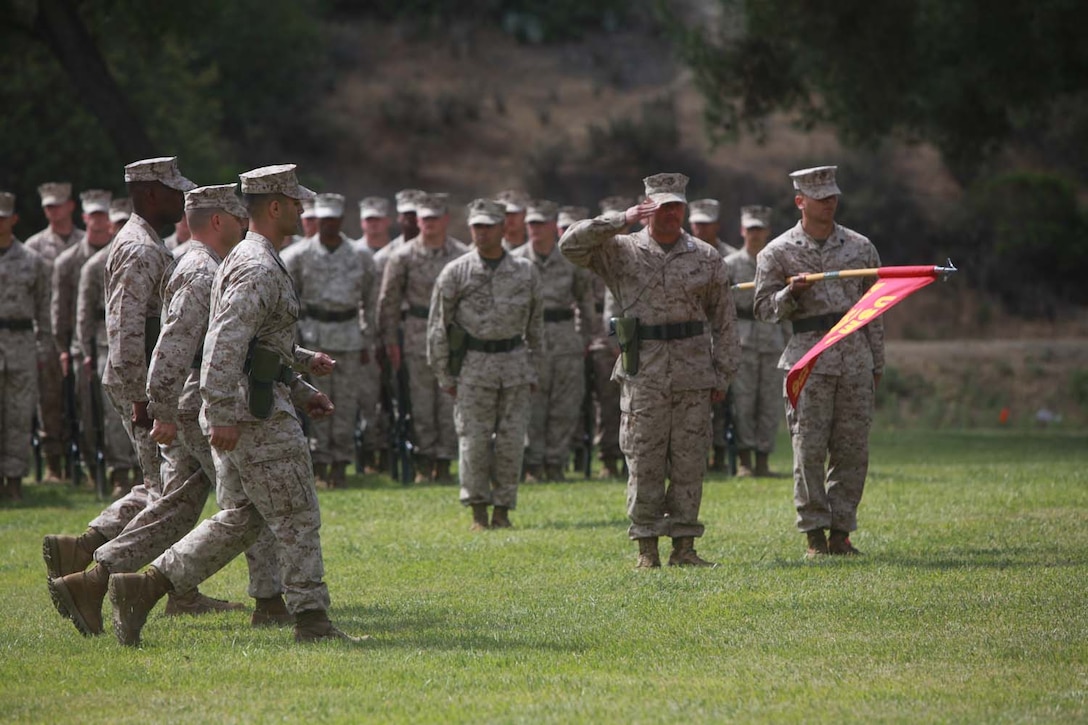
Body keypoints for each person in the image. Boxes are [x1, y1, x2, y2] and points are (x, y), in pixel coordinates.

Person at [108, 163, 357, 645]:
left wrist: (302, 388)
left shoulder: (251, 257)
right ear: (277, 206)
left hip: (249, 405)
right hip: (253, 413)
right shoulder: (258, 265)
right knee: (296, 512)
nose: (305, 209)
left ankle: (143, 587)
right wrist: (219, 412)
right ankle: (312, 621)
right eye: (297, 202)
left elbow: (255, 347)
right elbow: (223, 343)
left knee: (245, 517)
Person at [48, 184, 265, 637]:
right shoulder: (160, 253)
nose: (247, 223)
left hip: (170, 394)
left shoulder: (167, 250)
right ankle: (271, 599)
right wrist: (146, 402)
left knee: (177, 499)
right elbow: (139, 334)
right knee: (243, 501)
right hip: (169, 393)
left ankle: (95, 573)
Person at [560, 173, 738, 569]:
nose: (670, 213)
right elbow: (569, 245)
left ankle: (685, 547)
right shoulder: (620, 250)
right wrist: (618, 219)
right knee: (644, 461)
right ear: (646, 207)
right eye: (661, 205)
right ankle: (646, 548)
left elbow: (724, 321)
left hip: (693, 371)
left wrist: (723, 372)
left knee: (690, 460)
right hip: (645, 372)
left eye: (676, 205)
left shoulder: (706, 256)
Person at [753, 166, 883, 558]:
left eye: (833, 195)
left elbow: (874, 308)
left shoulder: (861, 247)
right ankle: (814, 534)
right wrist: (789, 294)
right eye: (821, 196)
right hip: (808, 356)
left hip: (854, 357)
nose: (830, 202)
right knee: (808, 448)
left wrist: (877, 362)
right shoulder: (777, 251)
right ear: (800, 202)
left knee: (852, 449)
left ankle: (841, 532)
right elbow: (762, 308)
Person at [428, 199, 543, 530]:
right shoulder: (456, 272)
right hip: (473, 367)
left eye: (488, 226)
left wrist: (536, 368)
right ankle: (478, 510)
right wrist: (443, 373)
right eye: (476, 226)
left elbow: (536, 327)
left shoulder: (525, 270)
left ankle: (503, 510)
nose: (481, 232)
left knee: (511, 441)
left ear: (503, 228)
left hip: (515, 365)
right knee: (474, 441)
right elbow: (438, 326)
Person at [285, 192, 379, 488]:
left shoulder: (361, 256)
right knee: (315, 399)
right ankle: (320, 463)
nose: (327, 225)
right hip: (315, 337)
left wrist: (367, 338)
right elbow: (291, 303)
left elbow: (371, 299)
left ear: (340, 221)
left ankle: (341, 463)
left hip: (350, 336)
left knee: (347, 404)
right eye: (322, 220)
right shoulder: (298, 256)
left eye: (332, 220)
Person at [378, 192, 468, 483]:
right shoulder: (402, 256)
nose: (428, 223)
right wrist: (390, 341)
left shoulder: (461, 254)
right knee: (419, 403)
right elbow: (389, 302)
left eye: (434, 218)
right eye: (424, 218)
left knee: (448, 399)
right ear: (417, 220)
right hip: (416, 335)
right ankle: (423, 461)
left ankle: (444, 462)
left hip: (452, 335)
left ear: (445, 220)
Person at [511, 200, 596, 482]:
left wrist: (584, 338)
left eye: (541, 224)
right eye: (531, 224)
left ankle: (556, 462)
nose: (535, 229)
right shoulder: (516, 261)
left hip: (564, 338)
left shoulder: (571, 259)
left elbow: (585, 302)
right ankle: (533, 464)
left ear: (553, 227)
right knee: (531, 404)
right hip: (529, 340)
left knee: (565, 404)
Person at [74, 220, 140, 497]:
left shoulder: (145, 257)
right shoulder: (95, 265)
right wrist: (87, 354)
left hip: (141, 346)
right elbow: (85, 314)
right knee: (113, 416)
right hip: (106, 346)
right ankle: (120, 474)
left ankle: (142, 470)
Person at [51, 190, 113, 478]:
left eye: (103, 214)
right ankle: (91, 466)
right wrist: (62, 347)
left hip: (112, 340)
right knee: (85, 410)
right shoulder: (69, 261)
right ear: (85, 216)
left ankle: (119, 468)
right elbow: (61, 308)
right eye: (94, 214)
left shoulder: (119, 254)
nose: (98, 220)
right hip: (82, 344)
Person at [25, 181, 83, 482]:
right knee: (49, 399)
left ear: (71, 206)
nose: (53, 211)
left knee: (83, 398)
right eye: (48, 206)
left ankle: (85, 459)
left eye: (58, 205)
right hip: (47, 334)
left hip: (79, 331)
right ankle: (53, 464)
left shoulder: (85, 241)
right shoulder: (33, 247)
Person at [724, 205, 788, 477]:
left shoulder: (777, 263)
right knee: (743, 401)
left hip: (771, 337)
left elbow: (787, 307)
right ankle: (744, 460)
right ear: (742, 230)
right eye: (750, 229)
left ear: (767, 232)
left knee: (770, 402)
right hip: (743, 338)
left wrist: (790, 341)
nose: (755, 234)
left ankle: (763, 459)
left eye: (759, 229)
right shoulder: (730, 265)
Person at [0, 192, 52, 502]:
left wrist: (45, 347)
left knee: (19, 415)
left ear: (14, 219)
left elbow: (44, 308)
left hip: (21, 343)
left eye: (4, 216)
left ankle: (15, 477)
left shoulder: (33, 261)